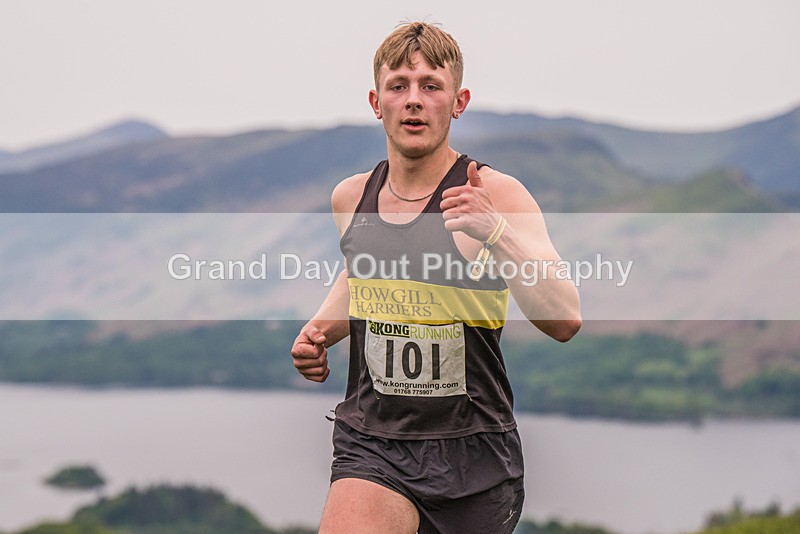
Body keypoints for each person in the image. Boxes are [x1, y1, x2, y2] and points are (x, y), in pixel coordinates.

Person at [291, 21, 581, 534]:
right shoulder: (350, 198)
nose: (414, 100)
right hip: (373, 442)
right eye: (398, 85)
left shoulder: (498, 193)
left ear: (459, 100)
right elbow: (364, 272)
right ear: (376, 102)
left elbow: (564, 318)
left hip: (473, 453)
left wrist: (496, 233)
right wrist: (318, 333)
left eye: (431, 85)